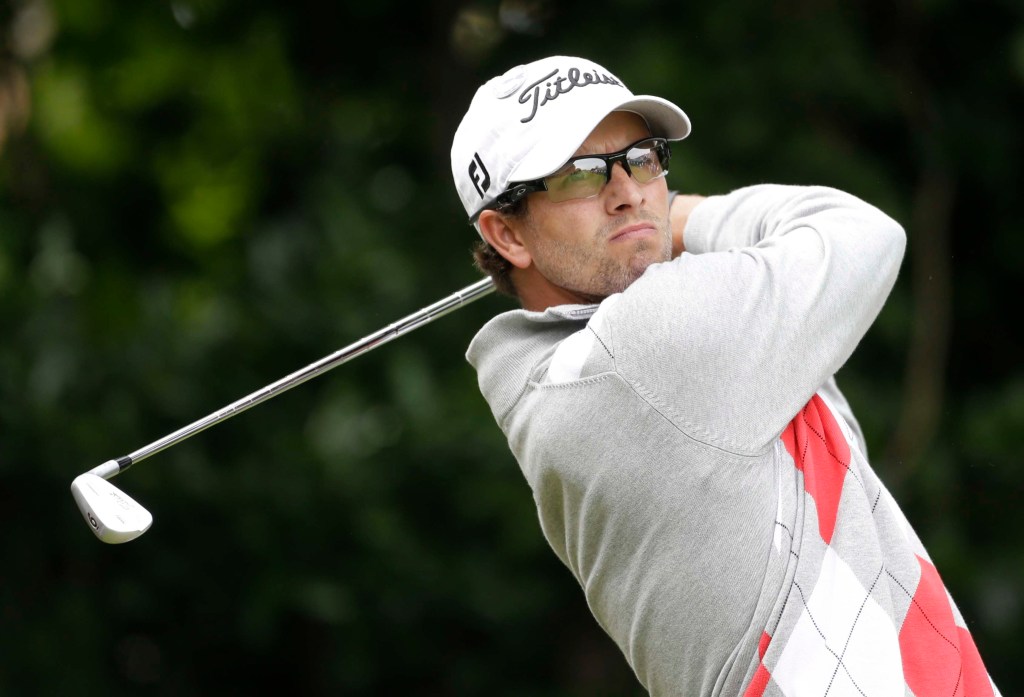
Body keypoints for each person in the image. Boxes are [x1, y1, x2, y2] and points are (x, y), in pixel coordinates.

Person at [450, 55, 1000, 696]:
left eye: (642, 158)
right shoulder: (645, 347)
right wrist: (681, 215)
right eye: (578, 176)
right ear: (506, 234)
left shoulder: (570, 378)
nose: (628, 191)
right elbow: (863, 233)